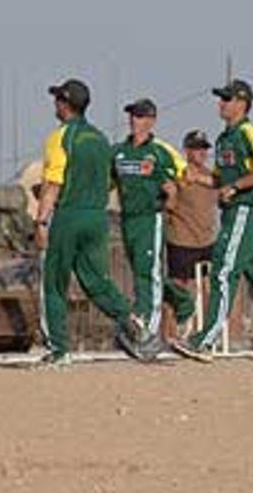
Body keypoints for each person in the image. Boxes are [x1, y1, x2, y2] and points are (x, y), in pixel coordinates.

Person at [173, 79, 253, 363]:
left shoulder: (248, 133)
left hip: (244, 210)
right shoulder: (224, 138)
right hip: (231, 212)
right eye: (221, 99)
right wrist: (199, 178)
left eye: (227, 99)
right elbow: (219, 179)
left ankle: (204, 340)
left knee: (223, 270)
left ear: (242, 103)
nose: (221, 104)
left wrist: (237, 187)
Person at [34, 78, 143, 367]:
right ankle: (127, 316)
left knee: (54, 282)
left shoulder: (60, 137)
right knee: (95, 280)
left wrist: (42, 221)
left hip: (69, 214)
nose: (54, 103)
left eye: (57, 98)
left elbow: (54, 182)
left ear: (64, 104)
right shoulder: (99, 138)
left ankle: (58, 349)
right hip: (97, 216)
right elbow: (108, 180)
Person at [110, 98, 195, 350]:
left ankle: (147, 330)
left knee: (149, 272)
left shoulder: (159, 151)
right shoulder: (118, 152)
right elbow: (109, 181)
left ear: (151, 120)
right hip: (128, 219)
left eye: (140, 116)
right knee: (144, 273)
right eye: (132, 116)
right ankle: (183, 302)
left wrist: (172, 199)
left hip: (150, 218)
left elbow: (178, 180)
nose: (134, 121)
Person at [165, 130, 218, 332]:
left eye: (204, 148)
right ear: (187, 151)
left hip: (206, 240)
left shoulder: (211, 176)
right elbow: (169, 204)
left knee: (206, 288)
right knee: (177, 289)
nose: (201, 152)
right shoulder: (179, 175)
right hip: (181, 239)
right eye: (197, 148)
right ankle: (168, 334)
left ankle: (204, 333)